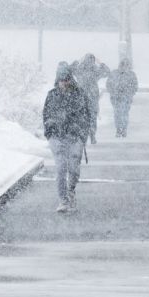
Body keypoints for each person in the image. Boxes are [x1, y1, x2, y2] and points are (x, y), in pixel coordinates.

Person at [42, 63, 92, 213]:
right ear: (57, 80)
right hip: (57, 137)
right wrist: (49, 133)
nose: (64, 83)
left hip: (74, 137)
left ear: (71, 79)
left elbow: (86, 116)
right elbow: (46, 115)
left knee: (74, 169)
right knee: (61, 169)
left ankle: (71, 190)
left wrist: (82, 135)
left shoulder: (80, 94)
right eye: (61, 80)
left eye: (67, 79)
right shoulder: (52, 95)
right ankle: (63, 199)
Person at [71, 53, 109, 144]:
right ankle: (91, 134)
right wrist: (102, 64)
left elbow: (69, 70)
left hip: (83, 96)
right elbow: (107, 72)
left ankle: (85, 135)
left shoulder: (80, 69)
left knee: (84, 116)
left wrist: (75, 63)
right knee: (91, 117)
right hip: (91, 96)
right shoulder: (95, 70)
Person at [107, 58, 139, 138]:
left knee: (124, 114)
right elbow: (108, 84)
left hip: (126, 97)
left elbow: (135, 86)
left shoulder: (131, 74)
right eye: (123, 64)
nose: (124, 66)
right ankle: (118, 129)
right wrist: (113, 92)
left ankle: (123, 129)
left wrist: (130, 93)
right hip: (116, 97)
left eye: (126, 64)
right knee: (118, 114)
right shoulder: (114, 73)